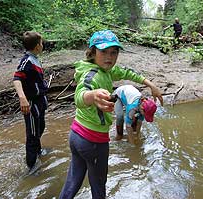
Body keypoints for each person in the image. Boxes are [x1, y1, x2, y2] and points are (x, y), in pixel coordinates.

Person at [59, 30, 163, 199]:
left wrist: (150, 84)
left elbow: (127, 73)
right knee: (99, 185)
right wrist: (92, 96)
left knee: (74, 180)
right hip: (92, 141)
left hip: (77, 135)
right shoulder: (92, 76)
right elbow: (79, 96)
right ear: (92, 53)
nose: (109, 57)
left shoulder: (105, 70)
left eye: (114, 52)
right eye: (104, 52)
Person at [13, 31, 48, 174]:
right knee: (32, 136)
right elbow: (17, 78)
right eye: (41, 43)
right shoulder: (26, 61)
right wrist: (23, 98)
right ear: (36, 46)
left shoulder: (35, 59)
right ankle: (31, 169)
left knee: (41, 127)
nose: (42, 45)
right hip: (31, 103)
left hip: (39, 101)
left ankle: (38, 152)